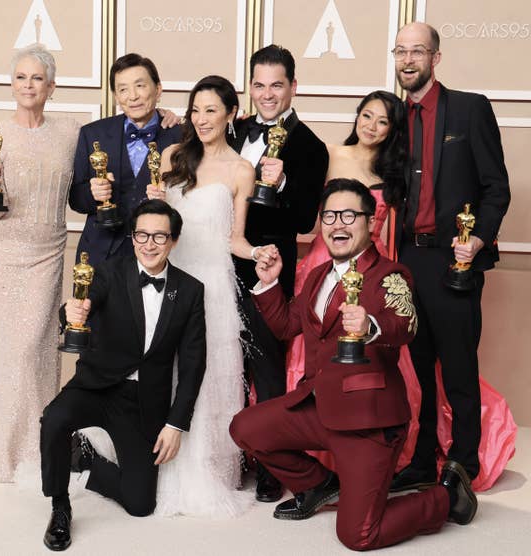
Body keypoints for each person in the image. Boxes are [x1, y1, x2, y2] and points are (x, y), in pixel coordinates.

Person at [230, 179, 478, 552]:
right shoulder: (316, 276)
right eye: (329, 215)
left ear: (370, 222)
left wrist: (370, 326)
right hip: (317, 407)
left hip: (368, 423)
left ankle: (447, 497)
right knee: (245, 427)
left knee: (359, 535)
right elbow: (286, 326)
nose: (337, 223)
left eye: (349, 214)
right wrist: (268, 285)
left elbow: (405, 324)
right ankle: (317, 485)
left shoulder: (390, 274)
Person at [143, 75, 276, 517]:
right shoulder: (172, 156)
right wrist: (153, 203)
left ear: (231, 114)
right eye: (196, 110)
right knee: (170, 371)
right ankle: (160, 463)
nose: (201, 119)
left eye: (211, 111)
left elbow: (234, 239)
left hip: (214, 286)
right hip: (173, 277)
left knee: (212, 378)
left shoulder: (242, 169)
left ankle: (211, 472)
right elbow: (159, 221)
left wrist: (258, 252)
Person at [40, 200, 206, 551]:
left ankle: (86, 458)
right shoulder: (108, 272)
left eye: (159, 236)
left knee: (140, 505)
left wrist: (176, 424)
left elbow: (193, 364)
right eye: (142, 235)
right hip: (97, 384)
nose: (149, 244)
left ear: (173, 241)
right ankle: (59, 505)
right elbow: (82, 306)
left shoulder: (190, 290)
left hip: (142, 402)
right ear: (132, 238)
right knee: (54, 419)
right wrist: (71, 312)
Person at [389, 22, 512, 493]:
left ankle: (462, 466)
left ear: (436, 57)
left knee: (458, 369)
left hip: (454, 260)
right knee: (418, 372)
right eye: (400, 51)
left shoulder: (468, 109)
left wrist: (477, 239)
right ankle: (420, 461)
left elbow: (496, 188)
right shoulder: (394, 116)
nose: (407, 60)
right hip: (408, 262)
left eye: (417, 51)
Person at [285, 91, 422, 471]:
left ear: (393, 130)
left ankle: (361, 439)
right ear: (356, 116)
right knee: (311, 341)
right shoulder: (330, 154)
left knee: (366, 346)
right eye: (366, 116)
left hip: (368, 265)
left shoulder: (394, 172)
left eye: (382, 121)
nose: (371, 127)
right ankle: (311, 443)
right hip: (323, 258)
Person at [0, 44, 80, 483]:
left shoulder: (72, 133)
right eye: (20, 77)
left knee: (38, 349)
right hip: (1, 252)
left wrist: (168, 119)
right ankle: (8, 450)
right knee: (10, 353)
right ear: (11, 83)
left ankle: (43, 442)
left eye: (37, 78)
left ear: (51, 86)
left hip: (48, 254)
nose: (28, 85)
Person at [231, 44, 329, 502]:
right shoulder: (233, 130)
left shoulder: (310, 145)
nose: (266, 94)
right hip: (218, 262)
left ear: (293, 87)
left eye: (276, 85)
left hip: (268, 266)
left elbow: (308, 218)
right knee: (221, 362)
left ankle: (271, 465)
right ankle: (230, 456)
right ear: (249, 87)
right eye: (258, 84)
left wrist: (284, 181)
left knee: (266, 364)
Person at [69, 53, 181, 266]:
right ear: (115, 97)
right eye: (123, 89)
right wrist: (92, 193)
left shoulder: (180, 135)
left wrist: (170, 200)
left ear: (158, 89)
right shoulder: (92, 134)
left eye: (140, 86)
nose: (133, 96)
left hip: (158, 257)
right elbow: (75, 199)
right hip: (99, 256)